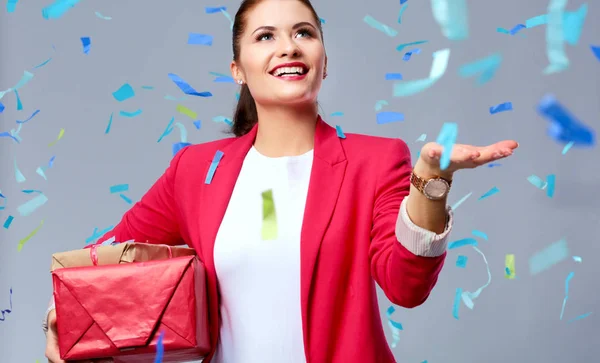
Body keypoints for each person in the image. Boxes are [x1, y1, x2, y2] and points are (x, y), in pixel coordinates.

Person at [43, 0, 518, 362]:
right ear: (238, 70)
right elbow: (105, 256)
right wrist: (64, 313)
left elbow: (405, 287)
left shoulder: (377, 159)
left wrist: (430, 182)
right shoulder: (194, 170)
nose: (288, 46)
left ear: (324, 61)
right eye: (265, 36)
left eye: (303, 33)